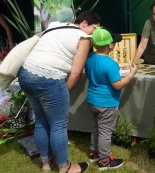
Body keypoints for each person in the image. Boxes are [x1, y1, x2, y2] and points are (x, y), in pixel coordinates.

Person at [18, 11, 101, 173]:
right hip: (49, 79)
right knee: (58, 125)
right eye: (95, 29)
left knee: (41, 120)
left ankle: (46, 163)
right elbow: (76, 73)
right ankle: (65, 166)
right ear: (84, 23)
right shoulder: (84, 38)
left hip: (25, 74)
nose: (95, 34)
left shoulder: (56, 25)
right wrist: (62, 92)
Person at [85, 27, 138, 170]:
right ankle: (104, 161)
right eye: (114, 41)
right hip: (106, 103)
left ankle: (93, 152)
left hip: (93, 100)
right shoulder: (111, 64)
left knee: (96, 128)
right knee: (105, 132)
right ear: (110, 45)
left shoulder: (90, 58)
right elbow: (118, 85)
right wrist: (131, 74)